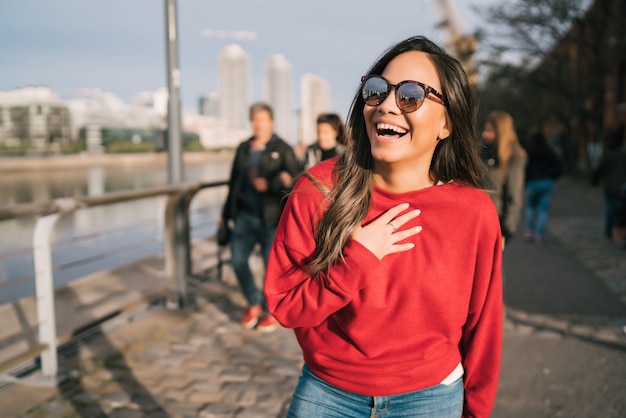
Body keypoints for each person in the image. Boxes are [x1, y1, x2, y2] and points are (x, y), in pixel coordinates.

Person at [265, 36, 502, 417]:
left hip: (432, 399)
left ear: (447, 123)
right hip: (328, 395)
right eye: (376, 90)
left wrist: (476, 411)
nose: (387, 105)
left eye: (411, 95)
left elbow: (484, 327)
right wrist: (355, 260)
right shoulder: (319, 190)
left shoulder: (473, 212)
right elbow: (285, 305)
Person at [220, 102, 300, 332]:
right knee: (237, 260)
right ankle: (253, 301)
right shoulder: (244, 148)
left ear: (271, 122)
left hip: (271, 217)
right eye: (255, 119)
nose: (259, 124)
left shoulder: (283, 148)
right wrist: (225, 215)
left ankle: (270, 311)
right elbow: (234, 182)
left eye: (263, 119)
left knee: (270, 268)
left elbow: (296, 180)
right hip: (244, 215)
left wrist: (271, 184)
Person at [480, 110, 527, 247]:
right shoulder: (482, 153)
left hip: (496, 226)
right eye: (485, 129)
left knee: (493, 268)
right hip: (476, 223)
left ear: (501, 132)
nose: (484, 134)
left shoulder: (514, 157)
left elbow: (514, 197)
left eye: (489, 130)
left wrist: (506, 231)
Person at [523, 131, 562, 244]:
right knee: (543, 210)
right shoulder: (549, 152)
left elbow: (525, 169)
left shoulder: (529, 153)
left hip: (532, 183)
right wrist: (552, 177)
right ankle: (539, 235)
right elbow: (559, 166)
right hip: (546, 182)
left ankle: (530, 231)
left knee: (530, 207)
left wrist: (526, 180)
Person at [591, 124, 626, 240]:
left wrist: (594, 182)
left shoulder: (608, 153)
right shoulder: (623, 152)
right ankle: (618, 232)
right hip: (622, 186)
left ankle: (609, 231)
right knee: (620, 210)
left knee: (610, 209)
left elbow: (600, 169)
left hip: (610, 186)